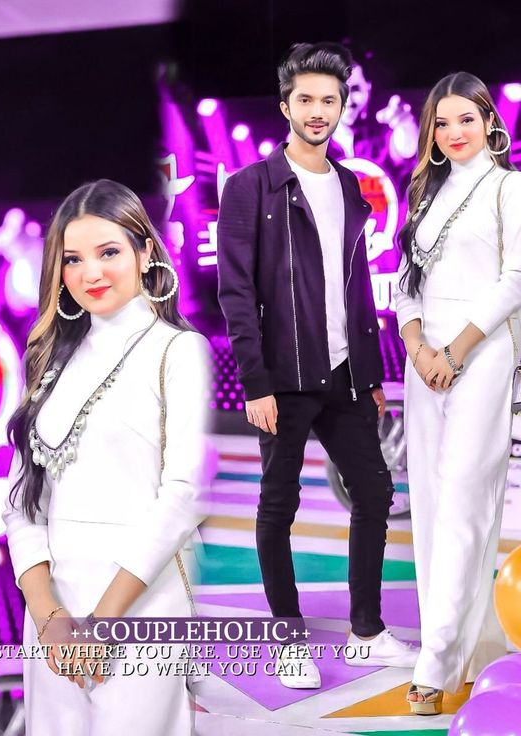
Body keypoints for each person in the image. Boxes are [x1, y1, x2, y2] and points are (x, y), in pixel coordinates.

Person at [216, 42, 418, 689]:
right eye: (305, 99)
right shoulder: (251, 187)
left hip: (342, 374)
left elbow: (358, 287)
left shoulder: (353, 185)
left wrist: (371, 373)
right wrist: (254, 381)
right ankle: (287, 639)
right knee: (279, 507)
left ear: (340, 108)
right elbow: (235, 291)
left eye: (328, 100)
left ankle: (366, 630)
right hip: (281, 377)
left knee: (378, 490)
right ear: (285, 106)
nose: (318, 111)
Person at [2, 179, 210, 735]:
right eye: (73, 259)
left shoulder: (179, 351)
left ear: (145, 253)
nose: (90, 273)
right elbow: (20, 501)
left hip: (138, 606)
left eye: (109, 252)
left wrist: (101, 625)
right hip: (53, 616)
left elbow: (183, 496)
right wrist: (49, 617)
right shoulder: (49, 361)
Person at [395, 72, 520, 715]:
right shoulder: (424, 196)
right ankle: (468, 646)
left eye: (465, 119)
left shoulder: (509, 188)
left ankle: (435, 662)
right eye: (441, 123)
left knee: (468, 504)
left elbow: (515, 280)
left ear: (488, 122)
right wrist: (419, 350)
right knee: (434, 504)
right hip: (426, 365)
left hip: (482, 352)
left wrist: (457, 351)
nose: (453, 132)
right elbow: (404, 285)